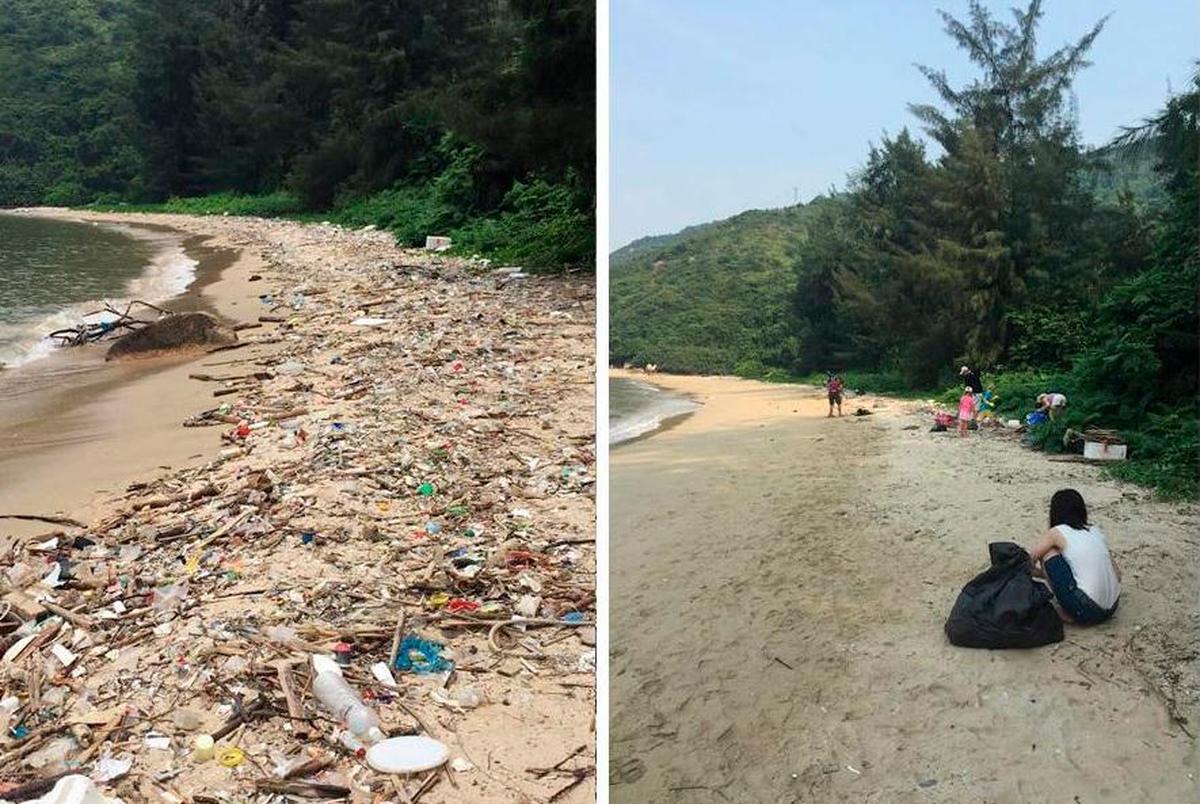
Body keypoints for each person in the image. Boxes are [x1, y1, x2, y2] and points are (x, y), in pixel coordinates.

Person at [1028, 489, 1120, 625]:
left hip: (1088, 612)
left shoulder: (1056, 532)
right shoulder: (1095, 532)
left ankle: (1069, 611)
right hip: (1112, 607)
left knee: (1049, 553)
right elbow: (1118, 574)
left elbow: (1029, 560)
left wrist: (1039, 574)